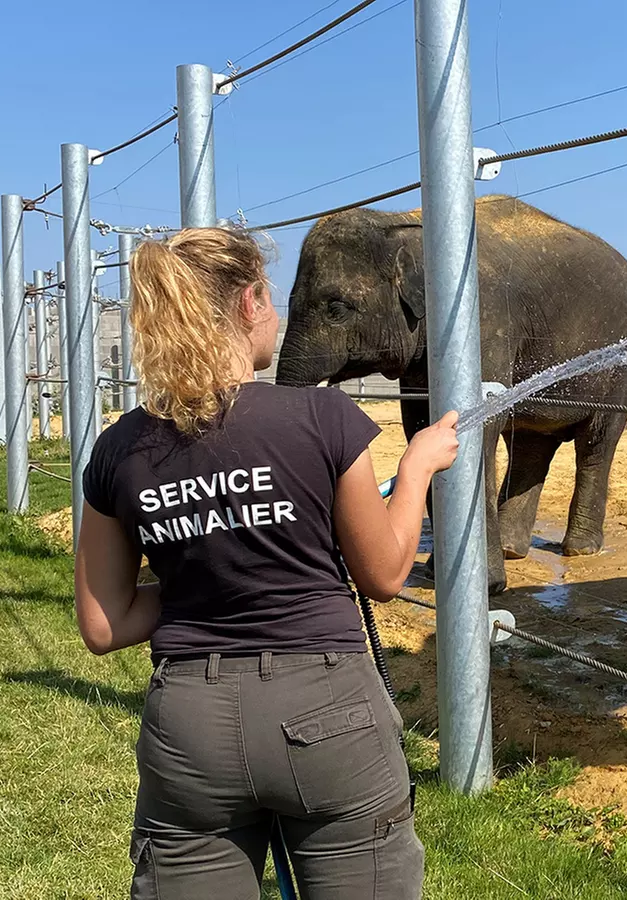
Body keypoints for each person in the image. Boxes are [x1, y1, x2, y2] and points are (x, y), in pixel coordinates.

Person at [73, 224, 456, 899]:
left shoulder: (119, 449)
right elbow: (386, 574)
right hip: (329, 710)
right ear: (250, 303)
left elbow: (104, 626)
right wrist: (419, 465)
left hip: (191, 727)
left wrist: (205, 575)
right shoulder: (324, 417)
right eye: (274, 299)